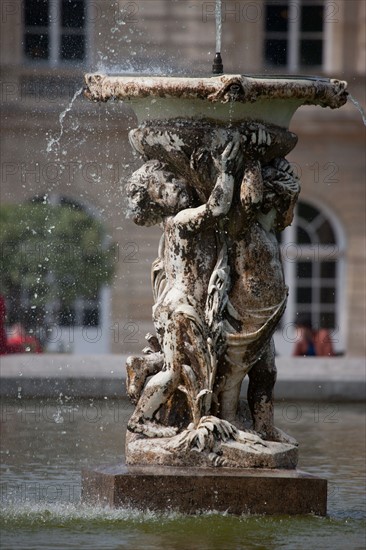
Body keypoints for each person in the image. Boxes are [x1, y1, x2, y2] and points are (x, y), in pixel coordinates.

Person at [126, 141, 242, 437]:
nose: (175, 185)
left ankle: (143, 364)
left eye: (172, 178)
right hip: (181, 307)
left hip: (176, 305)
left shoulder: (170, 227)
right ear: (157, 203)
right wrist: (226, 172)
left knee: (174, 364)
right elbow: (217, 207)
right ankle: (140, 419)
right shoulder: (179, 221)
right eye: (163, 189)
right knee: (174, 371)